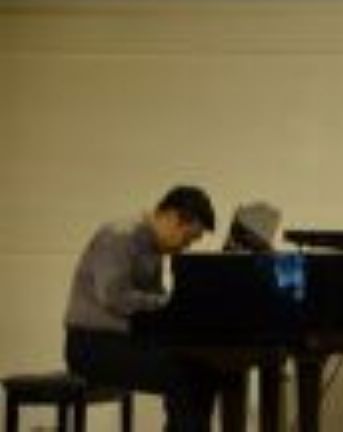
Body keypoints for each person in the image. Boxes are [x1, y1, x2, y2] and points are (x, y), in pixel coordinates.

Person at [64, 185, 225, 432]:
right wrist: (167, 302)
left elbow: (153, 306)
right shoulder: (119, 236)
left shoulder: (154, 247)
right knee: (183, 376)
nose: (186, 247)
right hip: (90, 345)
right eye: (187, 238)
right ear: (172, 217)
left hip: (123, 340)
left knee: (205, 371)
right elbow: (114, 296)